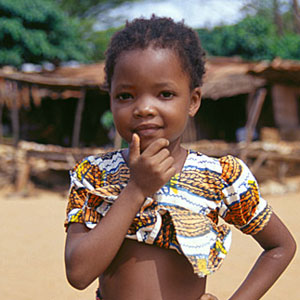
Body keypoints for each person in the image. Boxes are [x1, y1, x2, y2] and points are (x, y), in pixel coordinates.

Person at [64, 16, 296, 300]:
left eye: (165, 93)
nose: (144, 108)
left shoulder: (218, 177)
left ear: (193, 101)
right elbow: (78, 273)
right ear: (110, 99)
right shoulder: (95, 176)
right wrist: (137, 189)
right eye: (125, 96)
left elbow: (281, 247)